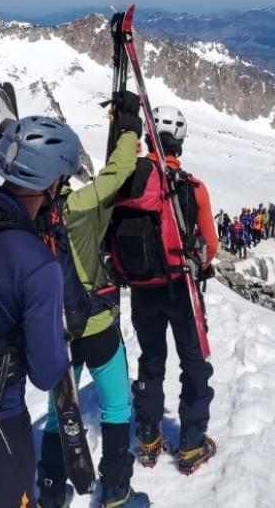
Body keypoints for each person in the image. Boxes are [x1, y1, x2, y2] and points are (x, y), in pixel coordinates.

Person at [32, 95, 150, 508]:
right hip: (96, 326)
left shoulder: (25, 216)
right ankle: (115, 493)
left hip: (53, 332)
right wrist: (129, 126)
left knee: (59, 409)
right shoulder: (78, 207)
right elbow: (117, 173)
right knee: (116, 407)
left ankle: (50, 489)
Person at [0, 116, 79, 508]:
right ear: (49, 184)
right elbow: (47, 373)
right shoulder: (39, 268)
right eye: (63, 180)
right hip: (1, 423)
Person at [114, 105, 218, 476]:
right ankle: (191, 443)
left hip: (143, 290)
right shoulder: (193, 187)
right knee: (193, 362)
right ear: (181, 141)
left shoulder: (130, 179)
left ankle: (147, 436)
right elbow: (210, 245)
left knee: (151, 359)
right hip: (182, 288)